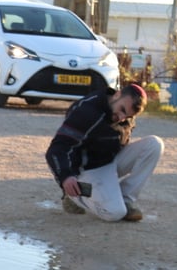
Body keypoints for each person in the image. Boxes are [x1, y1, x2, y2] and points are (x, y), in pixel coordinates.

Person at [45, 83, 163, 222]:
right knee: (115, 213)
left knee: (154, 144)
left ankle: (125, 199)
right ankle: (75, 196)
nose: (121, 118)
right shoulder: (87, 111)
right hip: (89, 168)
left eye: (127, 115)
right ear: (117, 94)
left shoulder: (125, 114)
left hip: (110, 160)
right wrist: (66, 177)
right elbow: (56, 149)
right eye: (122, 110)